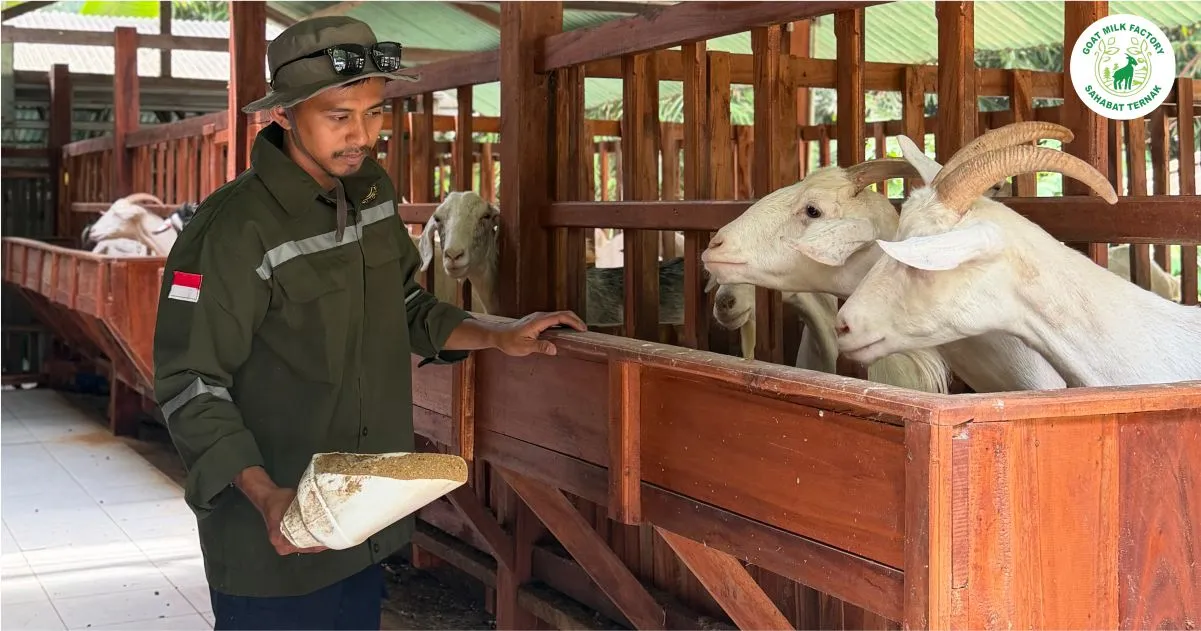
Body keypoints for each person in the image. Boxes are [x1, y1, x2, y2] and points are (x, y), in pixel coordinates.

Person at [151, 15, 586, 630]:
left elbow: (401, 305)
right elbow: (189, 383)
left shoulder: (369, 190)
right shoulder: (231, 231)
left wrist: (498, 333)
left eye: (374, 113)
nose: (363, 135)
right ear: (283, 114)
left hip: (361, 522)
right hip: (274, 537)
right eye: (339, 117)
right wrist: (269, 498)